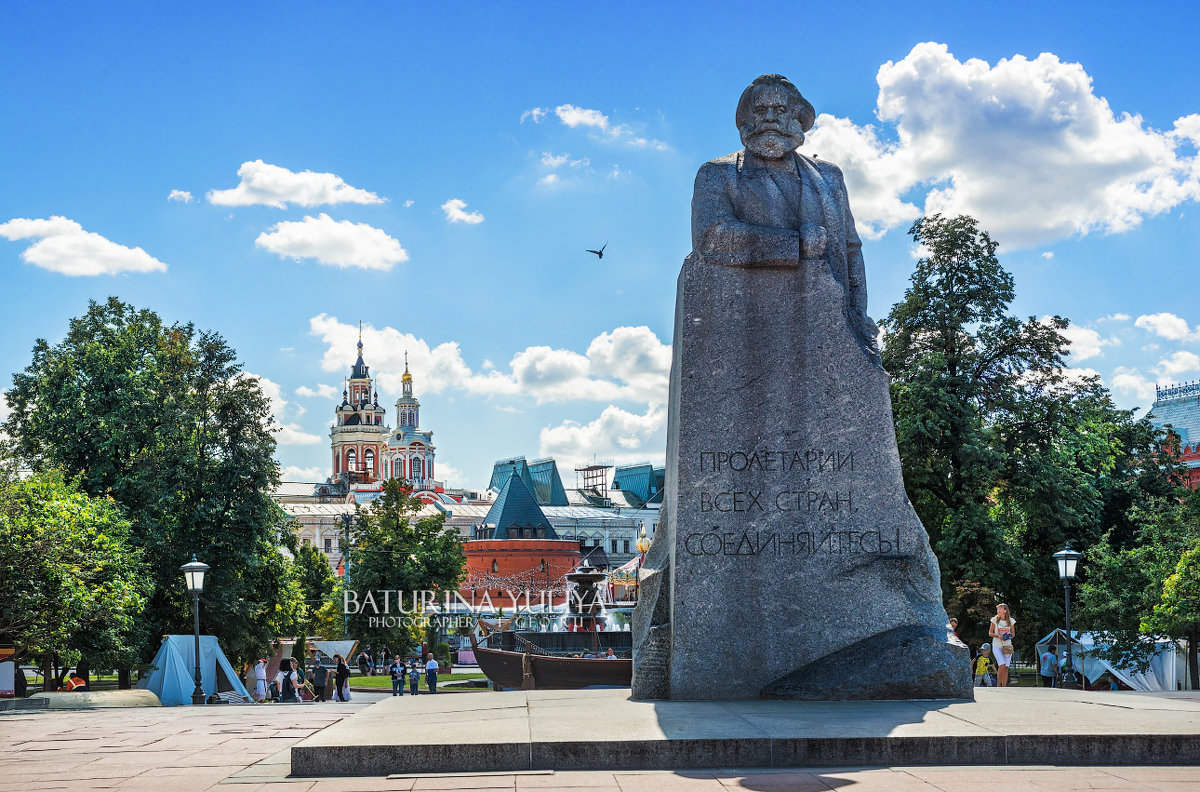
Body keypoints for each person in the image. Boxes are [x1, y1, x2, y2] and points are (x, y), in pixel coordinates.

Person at [989, 603, 1017, 687]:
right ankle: (998, 685)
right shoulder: (994, 620)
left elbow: (1013, 634)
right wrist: (998, 635)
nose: (998, 611)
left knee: (1006, 667)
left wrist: (1008, 635)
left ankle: (1004, 687)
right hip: (997, 645)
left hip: (1007, 646)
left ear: (1005, 611)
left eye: (1000, 609)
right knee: (1002, 664)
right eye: (997, 609)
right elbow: (990, 633)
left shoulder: (1011, 621)